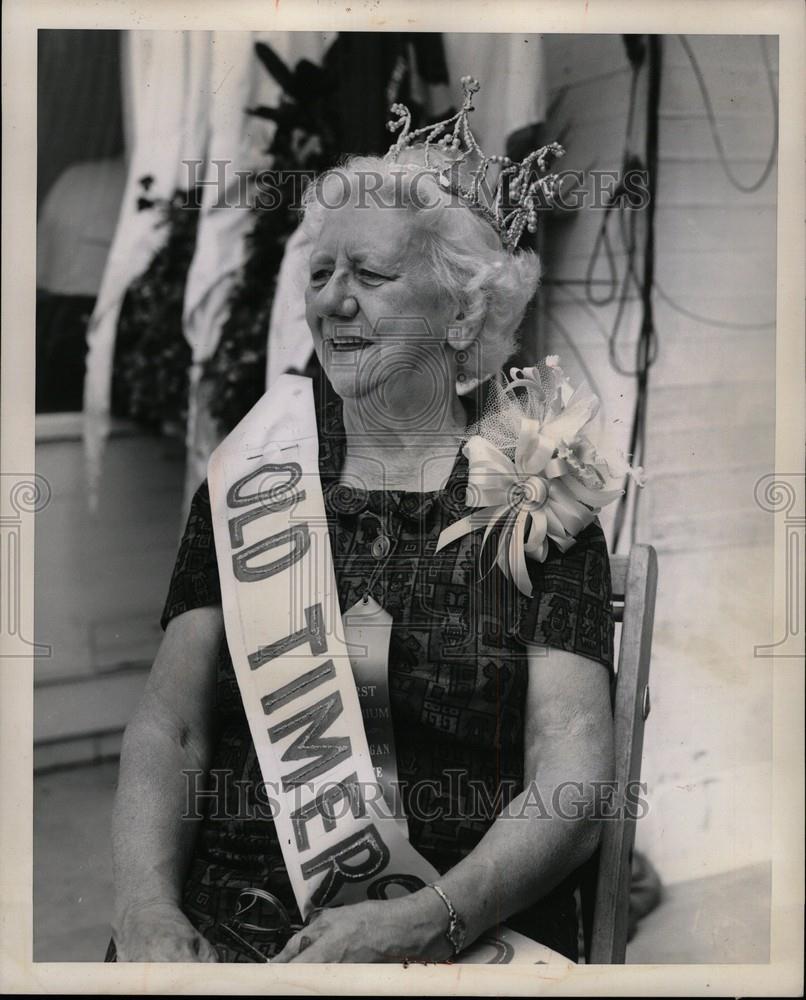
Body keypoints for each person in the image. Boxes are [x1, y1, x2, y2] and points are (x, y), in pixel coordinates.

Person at [109, 95, 616, 964]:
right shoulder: (250, 477)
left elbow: (570, 779)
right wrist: (146, 909)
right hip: (219, 919)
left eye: (371, 278)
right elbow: (172, 728)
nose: (333, 302)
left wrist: (431, 918)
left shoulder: (543, 498)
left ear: (463, 314)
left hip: (449, 922)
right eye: (319, 274)